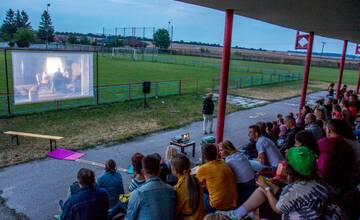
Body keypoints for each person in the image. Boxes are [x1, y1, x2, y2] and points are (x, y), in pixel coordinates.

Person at [220, 147, 344, 220]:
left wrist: (267, 188)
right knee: (266, 187)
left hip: (292, 214)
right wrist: (272, 185)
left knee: (264, 189)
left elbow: (278, 209)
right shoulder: (318, 182)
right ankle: (240, 213)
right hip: (309, 210)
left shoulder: (294, 190)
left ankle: (240, 214)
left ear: (292, 170)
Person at [125, 154, 176, 220]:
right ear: (160, 170)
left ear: (143, 172)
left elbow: (129, 218)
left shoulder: (137, 193)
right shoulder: (172, 190)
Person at [196, 144, 238, 213]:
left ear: (203, 156)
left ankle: (208, 214)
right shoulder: (223, 162)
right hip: (233, 201)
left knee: (198, 193)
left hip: (219, 205)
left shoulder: (203, 168)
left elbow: (196, 184)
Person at [171, 154, 205, 220]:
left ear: (174, 170)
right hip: (201, 216)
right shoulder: (196, 179)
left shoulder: (178, 189)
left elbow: (175, 212)